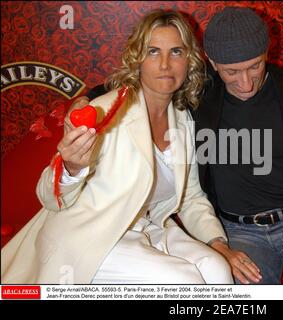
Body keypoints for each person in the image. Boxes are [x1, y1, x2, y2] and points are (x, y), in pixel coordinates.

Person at [65, 7, 283, 285]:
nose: (246, 82)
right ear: (211, 64)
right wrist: (86, 101)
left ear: (267, 53)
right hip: (237, 231)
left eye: (255, 67)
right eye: (231, 72)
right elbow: (135, 82)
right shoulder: (198, 91)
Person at [1, 10, 235, 284]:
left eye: (176, 52)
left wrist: (217, 241)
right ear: (137, 59)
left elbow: (191, 197)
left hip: (148, 227)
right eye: (152, 52)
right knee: (185, 281)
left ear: (189, 60)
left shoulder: (182, 120)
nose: (164, 65)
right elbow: (49, 198)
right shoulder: (105, 111)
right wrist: (72, 166)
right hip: (90, 234)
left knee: (217, 270)